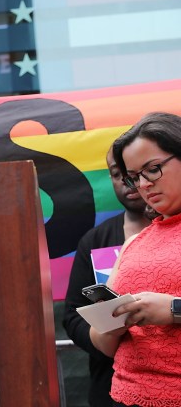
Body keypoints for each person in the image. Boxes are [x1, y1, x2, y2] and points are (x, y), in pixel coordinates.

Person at [90, 112, 181, 406]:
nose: (142, 185)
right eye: (133, 177)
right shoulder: (134, 244)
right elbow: (103, 344)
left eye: (152, 169)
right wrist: (112, 322)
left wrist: (173, 309)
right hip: (125, 395)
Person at [62, 146, 151, 407]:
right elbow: (72, 314)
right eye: (117, 173)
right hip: (112, 389)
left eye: (139, 171)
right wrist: (103, 338)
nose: (128, 181)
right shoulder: (95, 241)